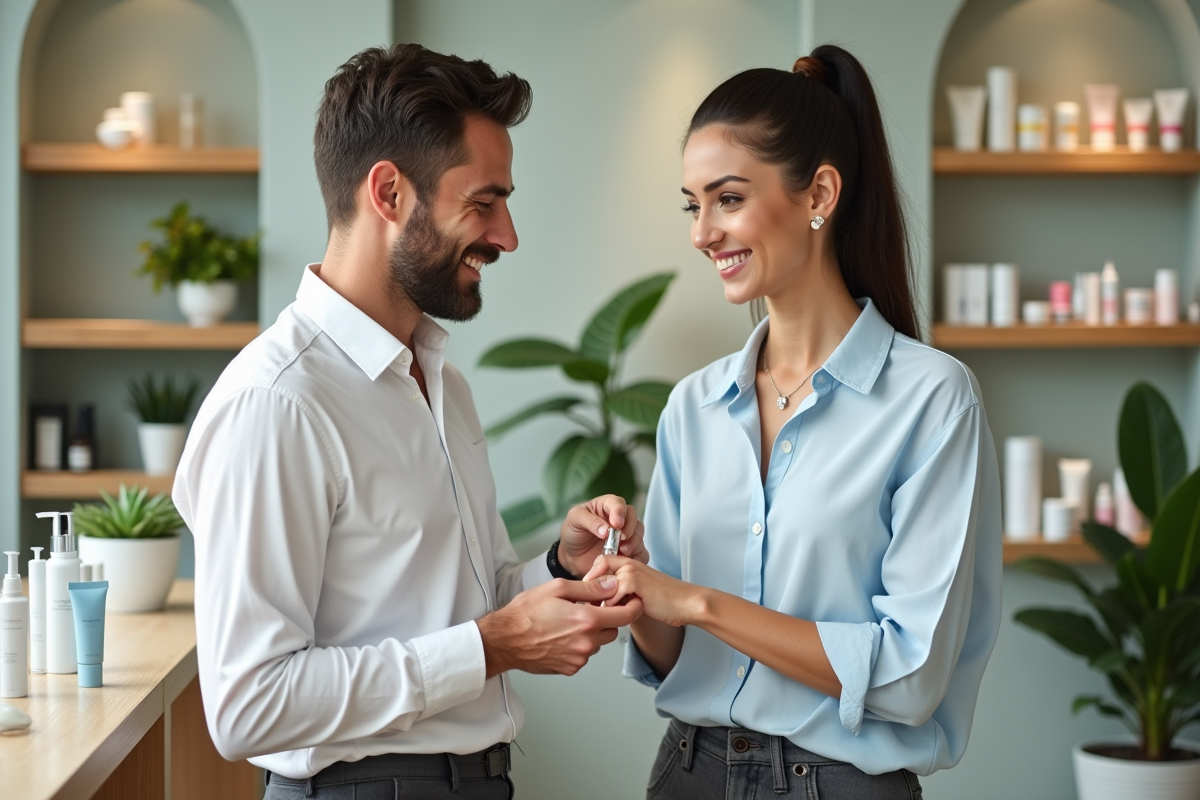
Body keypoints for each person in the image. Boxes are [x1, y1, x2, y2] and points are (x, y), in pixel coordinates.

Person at [173, 44, 646, 800]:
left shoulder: (441, 383)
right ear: (389, 192)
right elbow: (247, 704)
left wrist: (558, 568)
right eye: (483, 203)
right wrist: (491, 649)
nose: (507, 235)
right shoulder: (277, 403)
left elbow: (464, 604)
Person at [586, 45, 1003, 799]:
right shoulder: (693, 406)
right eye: (693, 204)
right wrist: (642, 588)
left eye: (728, 199)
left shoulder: (933, 400)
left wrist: (703, 602)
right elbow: (678, 658)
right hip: (689, 774)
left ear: (819, 194)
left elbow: (909, 677)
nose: (702, 232)